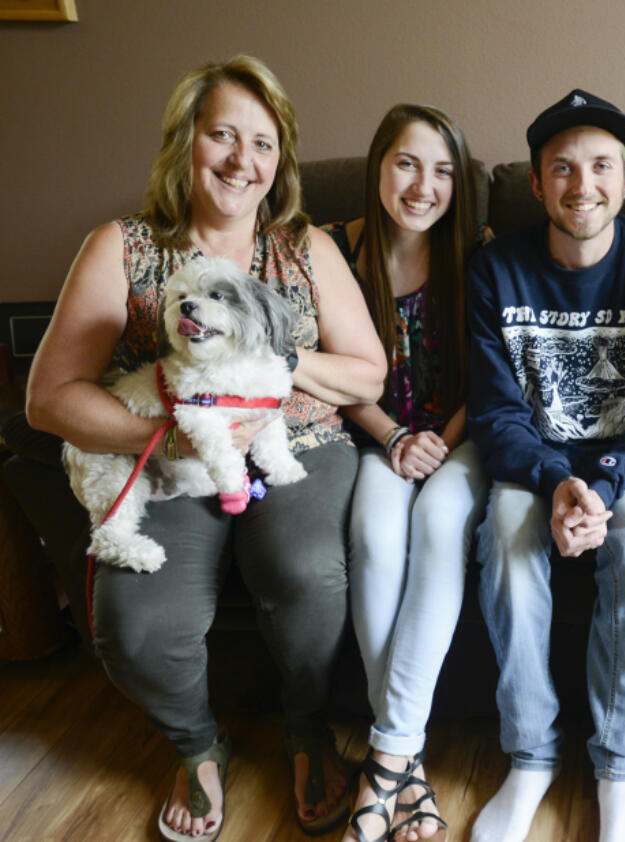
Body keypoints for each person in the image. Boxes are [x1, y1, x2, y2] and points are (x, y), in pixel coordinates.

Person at [25, 56, 386, 842]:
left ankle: (305, 726)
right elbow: (48, 398)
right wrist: (170, 434)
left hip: (298, 443)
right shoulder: (121, 246)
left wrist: (283, 366)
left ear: (278, 163)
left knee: (306, 576)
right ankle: (196, 743)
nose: (239, 159)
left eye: (261, 143)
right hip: (163, 460)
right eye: (221, 135)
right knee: (133, 624)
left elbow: (368, 372)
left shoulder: (305, 250)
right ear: (184, 144)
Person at [465, 89, 625, 842]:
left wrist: (599, 485)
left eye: (601, 166)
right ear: (535, 184)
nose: (582, 184)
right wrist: (555, 480)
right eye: (561, 168)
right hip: (534, 467)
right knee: (504, 536)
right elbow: (496, 412)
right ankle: (530, 755)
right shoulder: (494, 270)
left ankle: (617, 769)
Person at [326, 103, 489, 842]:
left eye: (444, 171)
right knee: (373, 531)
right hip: (374, 438)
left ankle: (384, 759)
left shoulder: (480, 254)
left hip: (462, 439)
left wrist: (438, 443)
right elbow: (328, 375)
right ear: (377, 167)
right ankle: (407, 764)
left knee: (439, 520)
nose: (424, 186)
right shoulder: (333, 253)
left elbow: (492, 375)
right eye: (407, 164)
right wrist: (394, 439)